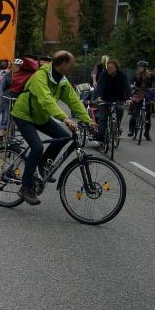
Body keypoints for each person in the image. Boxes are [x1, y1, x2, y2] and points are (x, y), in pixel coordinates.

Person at [11, 51, 94, 206]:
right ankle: (26, 187)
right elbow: (46, 100)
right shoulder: (40, 77)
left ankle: (43, 167)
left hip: (40, 116)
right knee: (37, 147)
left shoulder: (62, 80)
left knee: (64, 136)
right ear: (62, 63)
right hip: (24, 115)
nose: (73, 66)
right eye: (71, 63)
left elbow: (73, 100)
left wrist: (88, 120)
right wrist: (65, 118)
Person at [95, 59, 131, 144]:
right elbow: (100, 86)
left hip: (118, 98)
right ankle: (101, 137)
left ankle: (117, 126)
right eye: (108, 67)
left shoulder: (122, 75)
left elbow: (126, 87)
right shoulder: (103, 75)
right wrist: (99, 97)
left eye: (111, 68)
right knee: (103, 117)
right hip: (105, 98)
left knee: (120, 109)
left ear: (116, 68)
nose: (109, 69)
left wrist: (128, 98)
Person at [128, 60, 155, 141]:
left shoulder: (151, 75)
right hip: (138, 94)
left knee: (148, 116)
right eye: (138, 67)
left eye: (141, 67)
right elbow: (130, 81)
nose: (139, 68)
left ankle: (146, 133)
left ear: (144, 68)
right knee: (134, 113)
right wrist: (131, 85)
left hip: (148, 94)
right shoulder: (136, 75)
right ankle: (131, 130)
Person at [0, 58, 23, 143]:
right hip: (7, 98)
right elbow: (1, 85)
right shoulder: (8, 75)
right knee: (6, 118)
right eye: (16, 66)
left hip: (19, 99)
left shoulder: (24, 76)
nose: (17, 68)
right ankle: (1, 136)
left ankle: (13, 138)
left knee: (18, 119)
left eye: (19, 66)